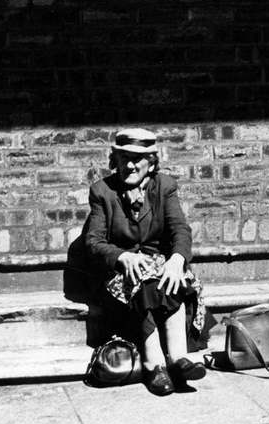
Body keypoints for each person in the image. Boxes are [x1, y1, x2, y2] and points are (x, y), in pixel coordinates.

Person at [80, 128, 211, 396]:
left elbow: (180, 230)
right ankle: (155, 363)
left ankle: (177, 357)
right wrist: (122, 256)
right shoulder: (102, 192)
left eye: (137, 159)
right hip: (120, 274)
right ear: (114, 160)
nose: (130, 165)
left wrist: (177, 259)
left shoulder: (164, 186)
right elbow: (93, 242)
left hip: (158, 267)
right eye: (124, 157)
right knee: (144, 278)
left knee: (168, 275)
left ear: (151, 161)